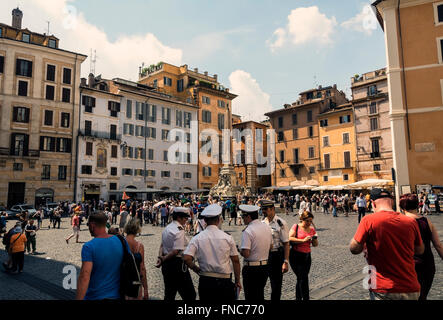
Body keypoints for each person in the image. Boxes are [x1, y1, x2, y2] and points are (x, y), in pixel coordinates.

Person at [350, 189, 425, 300]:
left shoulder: (368, 220)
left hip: (383, 287)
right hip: (410, 286)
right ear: (392, 202)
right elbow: (420, 250)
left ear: (373, 203)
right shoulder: (410, 222)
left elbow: (354, 249)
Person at [184, 204, 241, 302]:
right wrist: (237, 281)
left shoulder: (197, 237)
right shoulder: (227, 237)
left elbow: (186, 258)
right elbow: (235, 261)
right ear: (219, 220)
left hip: (206, 280)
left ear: (205, 221)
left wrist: (196, 269)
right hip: (225, 280)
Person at [400, 194, 443, 300]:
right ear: (417, 205)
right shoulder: (426, 221)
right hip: (427, 264)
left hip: (408, 265)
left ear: (402, 207)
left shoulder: (401, 223)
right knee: (422, 296)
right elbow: (438, 245)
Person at [76, 212, 128, 300]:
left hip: (95, 296)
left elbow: (85, 276)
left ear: (92, 225)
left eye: (88, 224)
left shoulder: (89, 247)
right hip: (118, 295)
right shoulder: (121, 240)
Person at [155, 207, 196, 301]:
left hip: (167, 265)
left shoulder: (167, 227)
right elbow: (176, 251)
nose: (186, 220)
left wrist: (161, 257)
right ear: (179, 218)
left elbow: (162, 245)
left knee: (169, 294)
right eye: (185, 218)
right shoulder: (179, 230)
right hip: (177, 264)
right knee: (190, 295)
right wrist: (162, 259)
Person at [239, 204, 273, 301]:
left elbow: (246, 253)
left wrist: (239, 250)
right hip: (264, 266)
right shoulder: (266, 227)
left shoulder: (248, 230)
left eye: (243, 216)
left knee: (250, 297)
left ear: (248, 217)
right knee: (259, 294)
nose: (243, 219)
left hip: (251, 268)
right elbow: (270, 246)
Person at [260, 200, 290, 301]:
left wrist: (285, 262)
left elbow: (286, 244)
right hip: (263, 256)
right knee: (260, 285)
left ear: (272, 209)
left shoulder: (281, 223)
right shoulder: (262, 223)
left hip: (276, 256)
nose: (263, 211)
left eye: (265, 209)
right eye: (262, 209)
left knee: (276, 286)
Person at [288, 211, 318, 300]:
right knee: (303, 278)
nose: (309, 223)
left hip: (307, 256)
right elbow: (289, 238)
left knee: (301, 278)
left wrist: (314, 239)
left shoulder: (312, 229)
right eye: (307, 221)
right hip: (296, 255)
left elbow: (315, 245)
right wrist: (303, 240)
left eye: (310, 221)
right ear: (302, 219)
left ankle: (298, 298)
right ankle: (306, 298)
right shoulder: (296, 226)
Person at [124, 219, 149, 300]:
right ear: (137, 230)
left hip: (122, 283)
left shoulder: (120, 242)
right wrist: (145, 289)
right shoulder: (139, 246)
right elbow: (142, 268)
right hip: (135, 283)